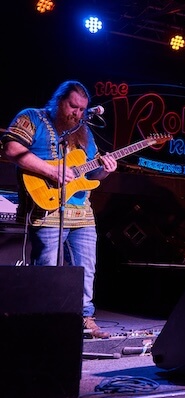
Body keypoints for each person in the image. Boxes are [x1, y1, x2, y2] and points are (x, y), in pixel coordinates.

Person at [0, 80, 117, 338]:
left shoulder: (84, 131)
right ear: (58, 100)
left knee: (87, 267)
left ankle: (85, 317)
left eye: (81, 109)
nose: (76, 113)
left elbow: (93, 172)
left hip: (82, 211)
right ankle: (45, 319)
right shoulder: (33, 117)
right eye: (72, 106)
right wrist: (51, 170)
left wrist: (105, 170)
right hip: (46, 206)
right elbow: (11, 148)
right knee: (48, 268)